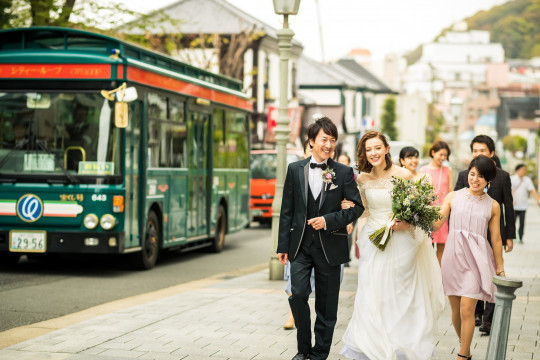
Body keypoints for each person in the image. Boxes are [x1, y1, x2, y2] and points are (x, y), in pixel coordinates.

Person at [340, 131, 445, 360]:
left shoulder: (404, 174)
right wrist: (356, 231)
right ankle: (374, 344)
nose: (373, 153)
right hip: (373, 241)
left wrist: (406, 222)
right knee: (372, 292)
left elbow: (418, 210)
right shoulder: (362, 179)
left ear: (387, 149)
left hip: (401, 241)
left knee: (400, 294)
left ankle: (402, 344)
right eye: (368, 150)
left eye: (377, 148)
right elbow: (365, 211)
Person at [277, 117, 363, 360]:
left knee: (327, 308)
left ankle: (318, 354)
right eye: (324, 139)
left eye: (332, 140)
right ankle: (303, 349)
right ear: (312, 141)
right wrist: (283, 245)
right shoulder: (295, 169)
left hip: (330, 248)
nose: (328, 144)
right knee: (298, 294)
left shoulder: (343, 172)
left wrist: (329, 220)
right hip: (300, 247)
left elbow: (356, 208)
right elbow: (287, 210)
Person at [436, 155, 505, 360]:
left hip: (477, 260)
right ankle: (464, 344)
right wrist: (414, 213)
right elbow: (436, 224)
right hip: (453, 257)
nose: (475, 179)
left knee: (468, 309)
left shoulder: (493, 206)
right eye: (472, 174)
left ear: (489, 180)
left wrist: (499, 267)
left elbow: (497, 239)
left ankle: (463, 355)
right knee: (456, 311)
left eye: (481, 176)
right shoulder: (452, 197)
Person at [454, 134, 515, 335]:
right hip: (468, 236)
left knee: (491, 274)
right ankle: (477, 312)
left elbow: (508, 207)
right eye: (475, 151)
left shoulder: (502, 176)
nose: (478, 154)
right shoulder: (465, 176)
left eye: (482, 151)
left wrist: (509, 236)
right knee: (472, 275)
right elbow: (453, 205)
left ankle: (488, 320)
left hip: (492, 234)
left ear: (491, 153)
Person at [419, 141, 452, 265]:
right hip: (428, 213)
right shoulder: (423, 170)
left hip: (443, 213)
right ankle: (429, 274)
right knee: (428, 245)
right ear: (433, 153)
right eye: (441, 154)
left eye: (445, 155)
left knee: (442, 246)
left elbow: (450, 191)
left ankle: (439, 274)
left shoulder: (448, 170)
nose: (443, 158)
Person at [511, 163, 540, 243]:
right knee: (512, 223)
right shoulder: (512, 179)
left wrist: (538, 199)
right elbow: (508, 191)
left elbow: (533, 191)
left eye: (525, 170)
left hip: (523, 206)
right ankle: (511, 237)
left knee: (522, 223)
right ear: (517, 170)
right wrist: (510, 200)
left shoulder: (527, 180)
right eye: (523, 169)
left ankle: (520, 238)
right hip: (513, 206)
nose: (524, 171)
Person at [337, 153, 355, 266]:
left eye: (345, 161)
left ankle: (346, 256)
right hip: (337, 210)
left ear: (348, 163)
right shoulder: (332, 173)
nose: (342, 163)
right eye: (340, 160)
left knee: (348, 234)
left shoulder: (351, 175)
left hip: (350, 208)